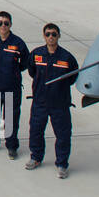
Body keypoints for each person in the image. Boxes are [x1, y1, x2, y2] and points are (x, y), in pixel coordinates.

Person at [26, 23, 77, 178]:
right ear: (44, 36)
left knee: (63, 135)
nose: (51, 37)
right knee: (35, 131)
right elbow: (32, 71)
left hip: (59, 104)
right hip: (40, 102)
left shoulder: (67, 57)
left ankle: (62, 164)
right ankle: (36, 157)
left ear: (59, 36)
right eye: (48, 34)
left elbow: (73, 77)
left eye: (54, 34)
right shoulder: (36, 54)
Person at [0, 11, 29, 158]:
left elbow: (25, 62)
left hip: (11, 87)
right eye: (0, 23)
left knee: (11, 118)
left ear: (11, 25)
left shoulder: (18, 43)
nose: (3, 26)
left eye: (6, 23)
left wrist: (12, 73)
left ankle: (11, 146)